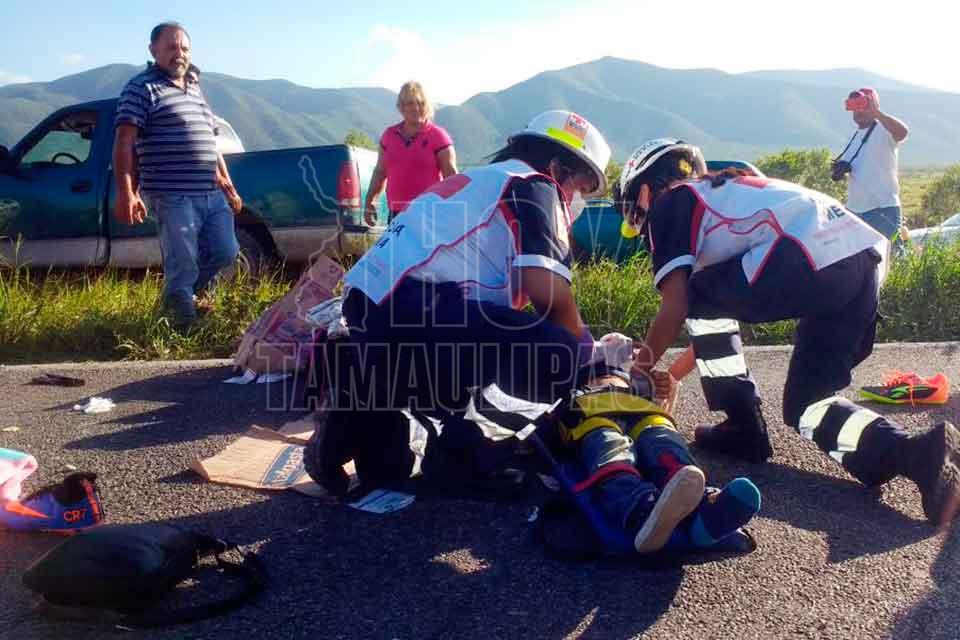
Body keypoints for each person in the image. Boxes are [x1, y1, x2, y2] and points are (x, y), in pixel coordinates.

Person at [613, 138, 960, 525]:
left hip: (807, 256)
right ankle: (916, 453)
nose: (639, 224)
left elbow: (678, 306)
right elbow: (712, 320)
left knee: (696, 293)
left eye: (633, 212)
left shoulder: (671, 201)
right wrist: (672, 375)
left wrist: (637, 374)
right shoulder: (729, 194)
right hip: (863, 263)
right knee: (806, 406)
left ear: (644, 191)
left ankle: (744, 425)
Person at [306, 110, 610, 495]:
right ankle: (461, 453)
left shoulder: (483, 180)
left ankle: (355, 410)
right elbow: (549, 294)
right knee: (557, 352)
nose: (578, 199)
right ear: (556, 167)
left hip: (369, 311)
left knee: (388, 471)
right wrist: (588, 356)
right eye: (581, 187)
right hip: (417, 311)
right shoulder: (535, 185)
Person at [542, 366, 761, 553]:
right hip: (592, 412)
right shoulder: (572, 376)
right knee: (612, 449)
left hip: (642, 410)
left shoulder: (635, 374)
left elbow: (666, 398)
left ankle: (702, 510)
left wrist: (665, 385)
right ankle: (641, 509)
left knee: (664, 444)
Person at [113, 22, 241, 328]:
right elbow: (124, 142)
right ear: (153, 50)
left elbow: (209, 141)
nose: (179, 54)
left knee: (226, 251)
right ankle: (181, 324)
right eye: (171, 47)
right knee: (182, 263)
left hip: (210, 192)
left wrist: (227, 182)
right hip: (172, 194)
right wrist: (127, 192)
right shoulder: (141, 88)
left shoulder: (194, 86)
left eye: (184, 48)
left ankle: (184, 299)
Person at [362, 81, 458, 224]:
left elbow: (452, 177)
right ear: (401, 107)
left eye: (421, 103)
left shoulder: (438, 136)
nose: (416, 108)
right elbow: (380, 171)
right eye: (410, 103)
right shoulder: (389, 136)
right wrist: (370, 201)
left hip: (429, 214)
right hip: (396, 215)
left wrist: (454, 213)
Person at [831, 87, 909, 259]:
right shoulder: (853, 137)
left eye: (863, 105)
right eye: (855, 105)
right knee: (859, 261)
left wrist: (877, 113)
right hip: (854, 210)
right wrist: (839, 170)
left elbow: (903, 132)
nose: (859, 111)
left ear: (874, 105)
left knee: (892, 258)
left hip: (882, 208)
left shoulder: (883, 129)